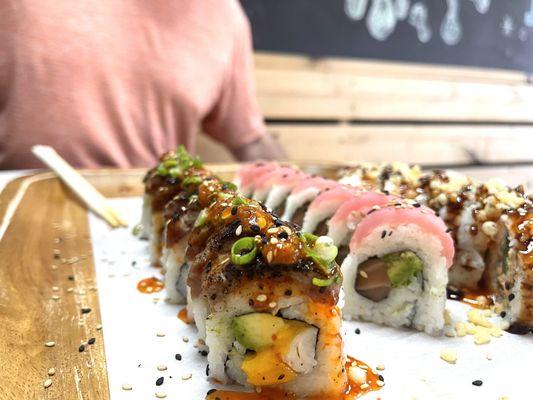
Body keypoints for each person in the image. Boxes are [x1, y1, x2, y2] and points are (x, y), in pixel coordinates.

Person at [0, 0, 285, 169]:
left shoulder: (221, 12)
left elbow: (250, 140)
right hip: (19, 210)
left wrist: (311, 193)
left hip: (155, 221)